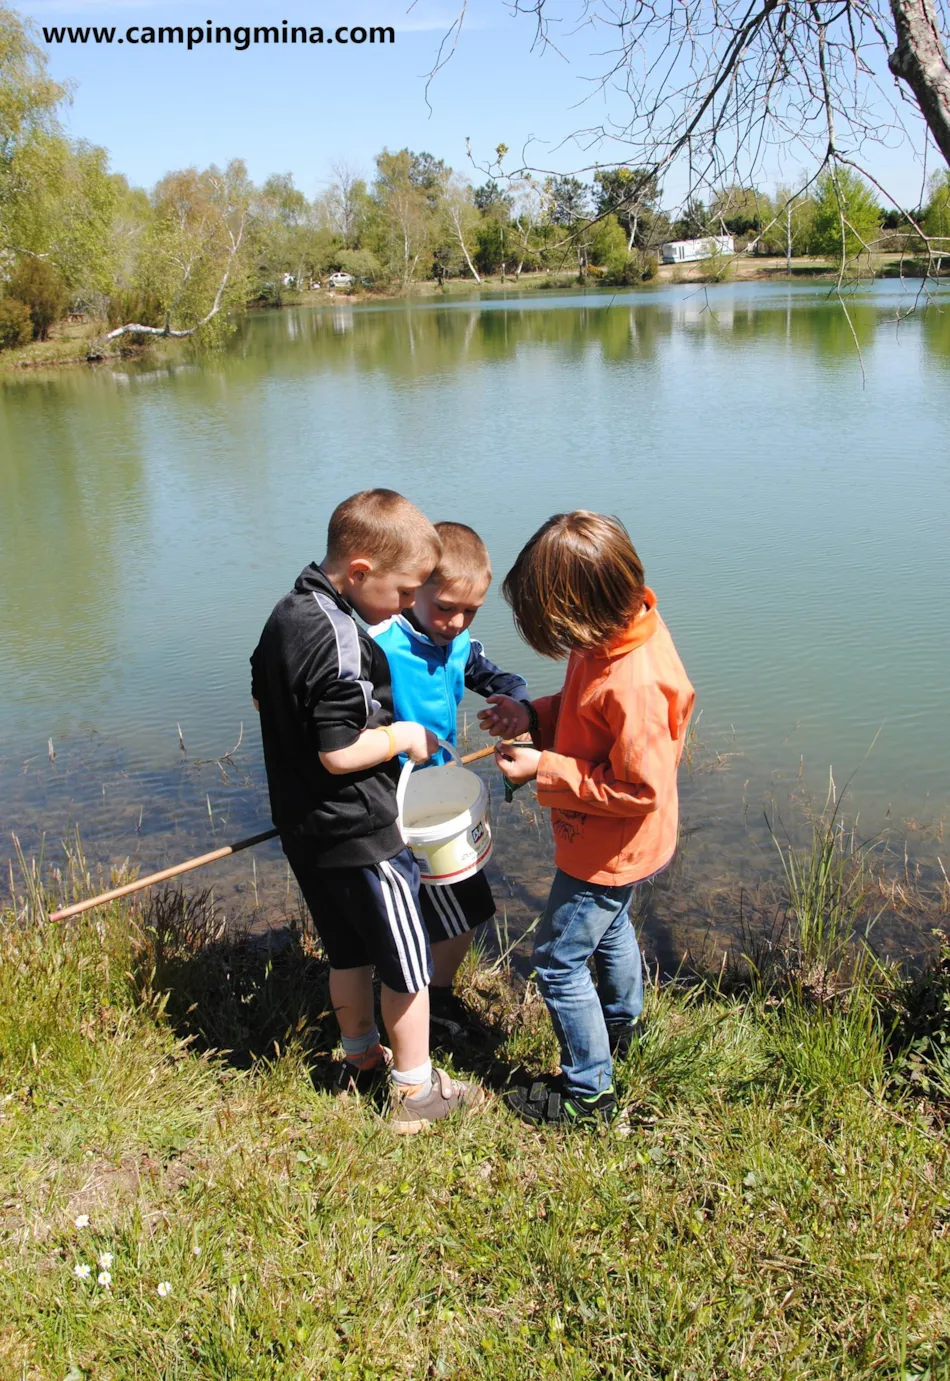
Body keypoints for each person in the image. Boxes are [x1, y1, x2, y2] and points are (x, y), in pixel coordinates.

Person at [250, 489, 484, 1133]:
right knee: (405, 963)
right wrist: (401, 738)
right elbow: (337, 751)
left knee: (347, 951)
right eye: (406, 591)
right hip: (362, 831)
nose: (410, 604)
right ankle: (414, 1093)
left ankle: (360, 1058)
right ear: (359, 572)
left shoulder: (288, 612)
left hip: (307, 829)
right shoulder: (343, 639)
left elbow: (263, 698)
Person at [490, 511, 695, 1126]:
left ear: (582, 610)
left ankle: (588, 1092)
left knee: (556, 961)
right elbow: (585, 712)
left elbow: (640, 788)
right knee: (609, 930)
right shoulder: (614, 636)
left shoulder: (632, 681)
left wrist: (542, 770)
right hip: (616, 844)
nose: (559, 644)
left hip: (609, 847)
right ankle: (621, 1027)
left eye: (555, 627)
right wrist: (534, 715)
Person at [369, 521, 532, 1041]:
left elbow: (501, 681)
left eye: (471, 611)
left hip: (436, 796)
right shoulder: (378, 644)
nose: (456, 623)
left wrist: (518, 709)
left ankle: (432, 996)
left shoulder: (461, 643)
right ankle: (417, 1005)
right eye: (445, 608)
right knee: (442, 911)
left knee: (465, 906)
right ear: (413, 590)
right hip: (387, 802)